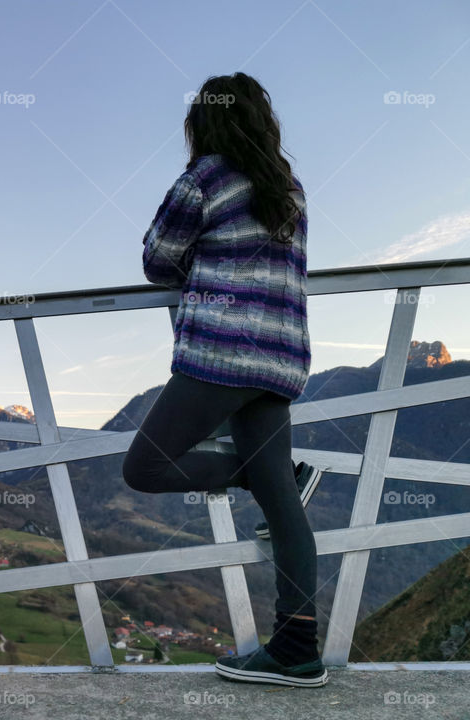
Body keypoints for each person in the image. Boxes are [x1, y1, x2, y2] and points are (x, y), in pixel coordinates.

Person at [120, 72, 327, 688]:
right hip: (281, 357)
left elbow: (158, 260)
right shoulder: (290, 190)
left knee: (145, 468)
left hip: (221, 353)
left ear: (203, 123)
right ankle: (297, 649)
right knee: (284, 509)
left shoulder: (205, 177)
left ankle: (266, 478)